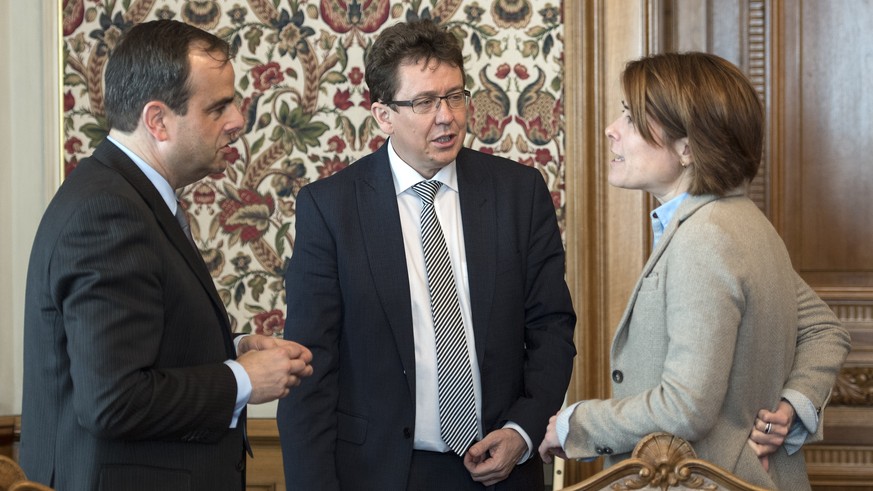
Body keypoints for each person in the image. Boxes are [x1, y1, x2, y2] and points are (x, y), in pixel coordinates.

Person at [277, 19, 576, 490]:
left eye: (455, 96)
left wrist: (523, 430)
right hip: (382, 473)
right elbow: (311, 369)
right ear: (383, 115)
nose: (447, 117)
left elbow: (551, 328)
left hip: (502, 469)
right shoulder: (331, 208)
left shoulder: (517, 193)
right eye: (423, 102)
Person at [20, 20, 313, 491]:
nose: (239, 119)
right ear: (157, 120)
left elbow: (143, 342)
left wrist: (233, 347)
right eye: (218, 107)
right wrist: (241, 380)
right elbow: (113, 400)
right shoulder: (108, 213)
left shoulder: (126, 196)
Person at [537, 51, 851, 490]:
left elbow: (685, 407)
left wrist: (575, 423)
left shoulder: (705, 239)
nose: (612, 129)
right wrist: (792, 405)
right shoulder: (744, 220)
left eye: (630, 116)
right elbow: (825, 329)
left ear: (686, 148)